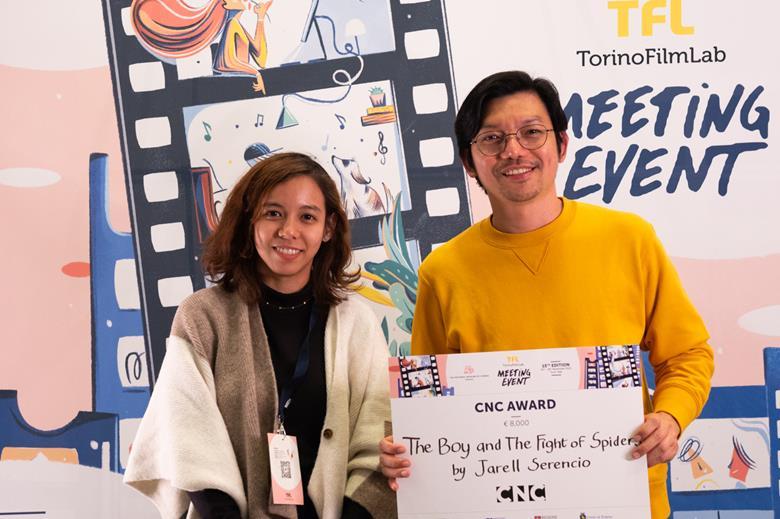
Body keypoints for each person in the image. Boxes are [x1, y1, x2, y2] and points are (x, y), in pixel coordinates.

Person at [379, 71, 714, 519]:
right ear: (469, 162)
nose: (513, 150)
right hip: (496, 508)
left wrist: (670, 417)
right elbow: (429, 406)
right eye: (491, 139)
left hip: (624, 498)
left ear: (562, 144)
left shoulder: (629, 240)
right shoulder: (443, 273)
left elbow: (688, 355)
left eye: (531, 132)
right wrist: (406, 452)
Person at [125, 152, 396, 518]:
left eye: (307, 217)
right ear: (248, 220)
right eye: (273, 213)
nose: (289, 231)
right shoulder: (202, 317)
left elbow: (377, 441)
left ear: (328, 228)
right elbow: (188, 440)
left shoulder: (356, 324)